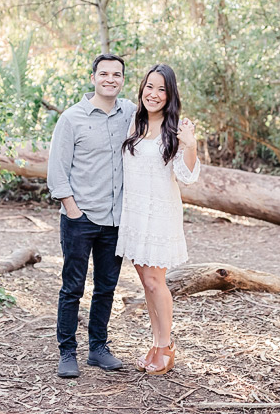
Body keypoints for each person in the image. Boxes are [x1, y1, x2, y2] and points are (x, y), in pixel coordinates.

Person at [46, 54, 136, 378]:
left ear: (123, 79)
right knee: (72, 288)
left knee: (106, 287)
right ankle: (67, 352)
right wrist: (73, 209)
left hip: (116, 219)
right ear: (93, 77)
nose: (110, 79)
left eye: (117, 74)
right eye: (104, 73)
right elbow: (56, 172)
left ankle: (98, 348)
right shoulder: (72, 119)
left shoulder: (130, 112)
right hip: (80, 218)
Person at [115, 63, 199, 375]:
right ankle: (156, 341)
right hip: (135, 214)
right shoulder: (134, 124)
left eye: (161, 89)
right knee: (146, 284)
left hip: (160, 214)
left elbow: (187, 176)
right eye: (150, 86)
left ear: (170, 94)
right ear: (142, 89)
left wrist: (190, 145)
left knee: (155, 281)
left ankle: (166, 347)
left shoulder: (175, 129)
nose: (154, 94)